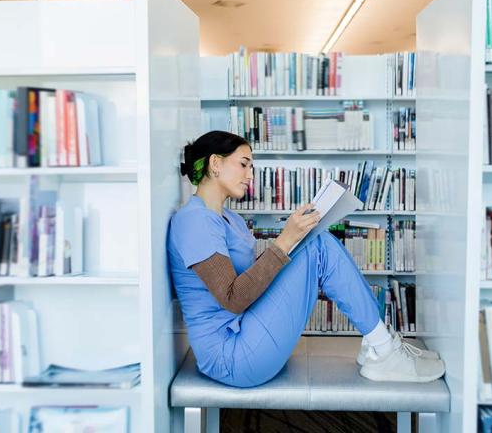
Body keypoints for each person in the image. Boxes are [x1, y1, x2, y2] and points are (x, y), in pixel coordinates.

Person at [167, 130, 445, 388]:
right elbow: (233, 299)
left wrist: (294, 240)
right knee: (319, 246)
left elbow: (252, 279)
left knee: (315, 241)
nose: (250, 175)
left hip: (246, 331)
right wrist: (286, 240)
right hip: (229, 355)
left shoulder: (231, 219)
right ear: (215, 164)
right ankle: (384, 348)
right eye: (244, 164)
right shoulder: (194, 221)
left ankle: (379, 343)